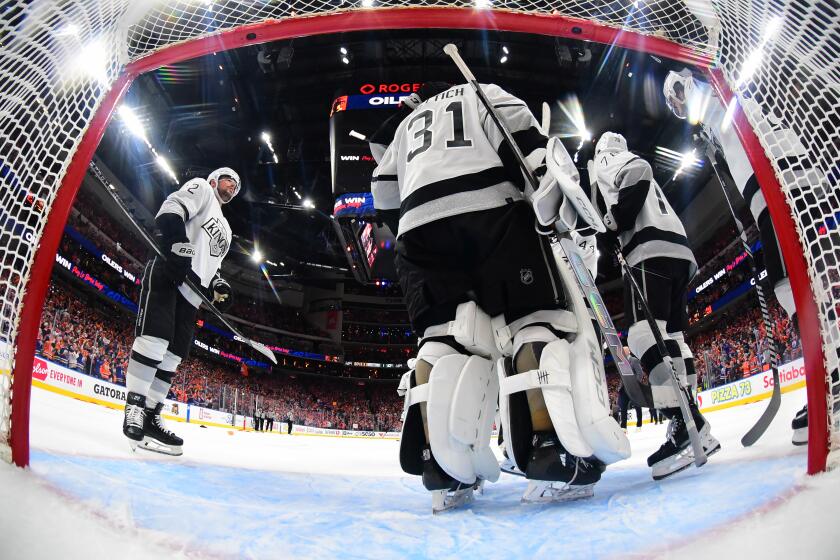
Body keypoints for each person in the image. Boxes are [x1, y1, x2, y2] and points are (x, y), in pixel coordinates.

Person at [372, 82, 628, 511]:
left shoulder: (406, 125)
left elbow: (382, 195)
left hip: (416, 232)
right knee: (534, 322)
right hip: (491, 212)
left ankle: (441, 467)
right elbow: (531, 150)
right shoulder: (479, 89)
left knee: (442, 339)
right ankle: (552, 449)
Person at [663, 70, 808, 445]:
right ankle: (828, 372)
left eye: (676, 98)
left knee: (798, 283)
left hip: (783, 180)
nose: (678, 109)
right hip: (770, 190)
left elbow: (704, 95)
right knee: (785, 285)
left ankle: (834, 376)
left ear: (684, 84)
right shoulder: (715, 113)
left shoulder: (710, 88)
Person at [593, 131, 720, 480]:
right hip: (678, 250)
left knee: (640, 335)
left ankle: (685, 420)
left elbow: (638, 172)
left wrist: (612, 220)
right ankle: (692, 422)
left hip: (648, 250)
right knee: (672, 336)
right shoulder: (628, 159)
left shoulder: (606, 159)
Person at [121, 167, 239, 456]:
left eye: (236, 186)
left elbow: (214, 264)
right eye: (228, 180)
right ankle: (134, 407)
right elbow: (171, 210)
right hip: (170, 271)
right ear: (214, 180)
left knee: (173, 355)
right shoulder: (202, 188)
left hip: (194, 291)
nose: (232, 186)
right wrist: (176, 244)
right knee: (155, 338)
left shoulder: (227, 228)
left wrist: (220, 285)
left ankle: (150, 415)